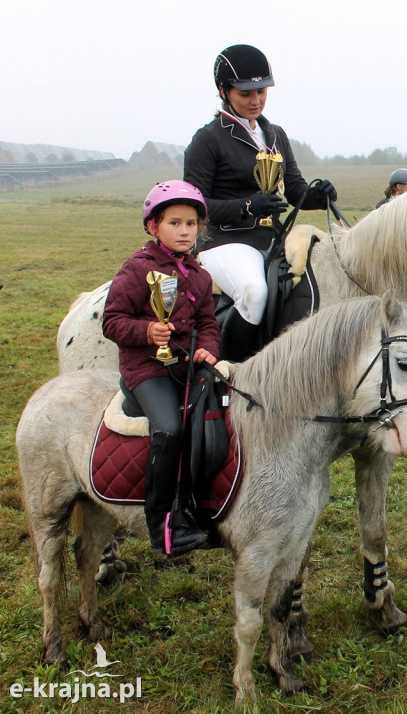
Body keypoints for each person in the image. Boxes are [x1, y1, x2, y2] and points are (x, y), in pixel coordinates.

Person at [183, 44, 338, 359]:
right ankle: (231, 371)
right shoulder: (208, 140)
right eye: (245, 93)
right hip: (225, 241)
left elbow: (294, 189)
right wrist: (247, 207)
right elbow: (193, 206)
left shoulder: (276, 135)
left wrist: (317, 196)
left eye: (262, 91)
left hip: (273, 238)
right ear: (223, 90)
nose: (255, 100)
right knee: (254, 294)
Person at [102, 181, 221, 557]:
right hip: (145, 368)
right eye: (175, 223)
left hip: (184, 366)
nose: (185, 231)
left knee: (216, 417)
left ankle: (202, 506)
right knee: (169, 429)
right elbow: (111, 321)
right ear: (154, 227)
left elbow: (209, 324)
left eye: (191, 223)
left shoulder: (200, 276)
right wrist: (147, 331)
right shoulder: (138, 270)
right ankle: (160, 526)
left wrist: (207, 350)